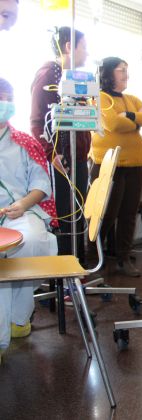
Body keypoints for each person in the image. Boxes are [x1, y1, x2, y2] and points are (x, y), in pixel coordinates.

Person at [0, 77, 58, 365]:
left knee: (33, 240)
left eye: (7, 97)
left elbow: (40, 184)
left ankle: (19, 318)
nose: (3, 103)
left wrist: (22, 204)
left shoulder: (24, 142)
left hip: (20, 214)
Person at [89, 57, 142, 276]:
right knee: (106, 213)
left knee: (128, 214)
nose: (126, 73)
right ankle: (92, 258)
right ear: (108, 73)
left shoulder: (132, 99)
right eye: (121, 70)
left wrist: (128, 115)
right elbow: (112, 124)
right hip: (108, 165)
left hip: (136, 163)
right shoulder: (99, 97)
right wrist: (136, 121)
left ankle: (123, 258)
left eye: (127, 69)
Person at [30, 27, 90, 264]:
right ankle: (66, 275)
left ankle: (78, 268)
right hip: (62, 160)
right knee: (66, 217)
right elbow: (37, 122)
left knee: (77, 217)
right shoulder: (49, 75)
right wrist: (52, 153)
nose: (87, 53)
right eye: (84, 46)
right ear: (68, 47)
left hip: (78, 157)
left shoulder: (73, 81)